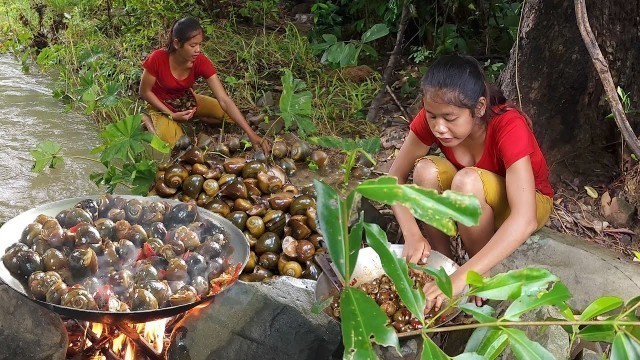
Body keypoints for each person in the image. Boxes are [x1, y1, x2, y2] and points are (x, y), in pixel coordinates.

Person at [388, 55, 553, 312]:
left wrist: (461, 278)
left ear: (478, 108)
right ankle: (442, 265)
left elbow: (525, 219)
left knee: (466, 182)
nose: (439, 127)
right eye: (432, 116)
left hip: (528, 200)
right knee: (425, 171)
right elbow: (393, 178)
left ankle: (477, 272)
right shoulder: (434, 117)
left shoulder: (509, 125)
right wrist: (411, 233)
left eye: (450, 118)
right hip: (475, 196)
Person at [139, 17, 269, 153]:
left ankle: (198, 117)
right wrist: (172, 114)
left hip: (186, 100)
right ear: (177, 44)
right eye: (193, 45)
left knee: (230, 116)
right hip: (160, 105)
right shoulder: (157, 58)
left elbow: (224, 100)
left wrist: (251, 134)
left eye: (200, 44)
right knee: (175, 144)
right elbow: (145, 92)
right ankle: (147, 120)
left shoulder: (200, 61)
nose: (198, 50)